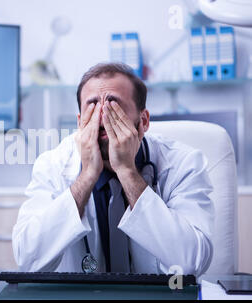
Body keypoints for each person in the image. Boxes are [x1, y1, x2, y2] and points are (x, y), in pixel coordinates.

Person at [12, 62, 214, 276]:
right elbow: (27, 259)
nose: (103, 117)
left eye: (114, 107)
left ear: (143, 121)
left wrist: (127, 172)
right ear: (80, 123)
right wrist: (87, 176)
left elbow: (192, 263)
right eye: (92, 107)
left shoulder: (184, 164)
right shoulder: (52, 165)